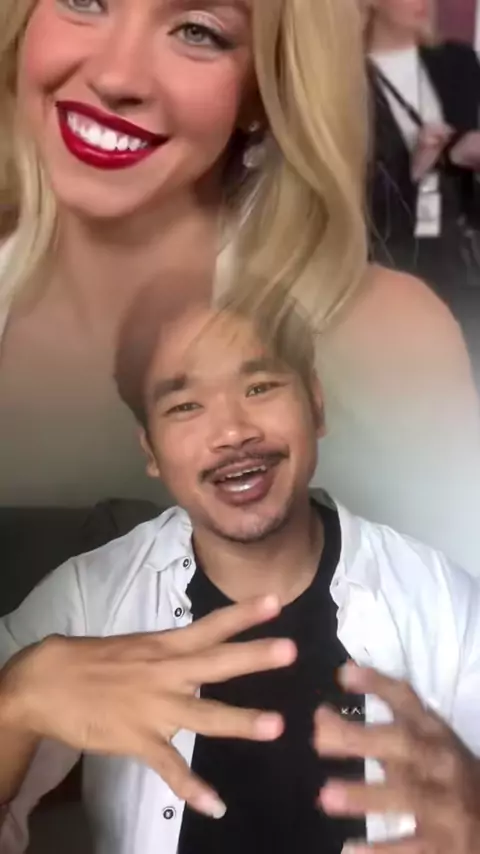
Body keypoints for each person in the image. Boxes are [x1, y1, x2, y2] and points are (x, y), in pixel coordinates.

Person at [0, 0, 479, 579]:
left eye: (197, 31)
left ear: (262, 88)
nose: (116, 76)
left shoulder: (387, 338)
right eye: (84, 0)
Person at [0, 296, 479, 854]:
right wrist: (14, 705)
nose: (231, 432)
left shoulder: (438, 600)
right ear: (150, 450)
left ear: (316, 405)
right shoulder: (89, 599)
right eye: (185, 406)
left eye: (259, 387)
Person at [365, 0, 480, 384]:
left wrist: (460, 153)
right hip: (394, 264)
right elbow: (349, 196)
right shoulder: (346, 81)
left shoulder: (458, 64)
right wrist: (414, 169)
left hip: (462, 258)